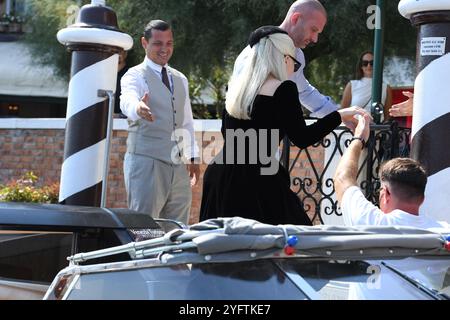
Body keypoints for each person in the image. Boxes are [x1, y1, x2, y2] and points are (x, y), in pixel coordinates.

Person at [199, 27, 368, 226]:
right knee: (292, 245)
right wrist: (338, 115)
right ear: (284, 58)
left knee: (221, 248)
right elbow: (302, 137)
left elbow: (227, 133)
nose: (293, 69)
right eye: (295, 64)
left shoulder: (237, 88)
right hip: (258, 179)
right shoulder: (283, 89)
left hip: (221, 175)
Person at [120, 20, 200, 224]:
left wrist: (192, 155)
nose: (164, 49)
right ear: (144, 43)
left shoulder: (180, 79)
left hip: (177, 164)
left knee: (178, 229)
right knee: (145, 227)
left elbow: (186, 120)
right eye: (157, 43)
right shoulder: (135, 75)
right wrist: (138, 108)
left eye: (169, 43)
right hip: (146, 162)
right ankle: (142, 258)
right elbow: (127, 99)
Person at [334, 113, 446, 228]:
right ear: (422, 199)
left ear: (385, 193)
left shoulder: (369, 222)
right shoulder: (444, 231)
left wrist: (358, 138)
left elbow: (342, 177)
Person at [232, 0, 339, 119]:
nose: (315, 39)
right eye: (313, 30)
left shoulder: (297, 54)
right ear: (295, 18)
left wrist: (338, 115)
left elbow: (304, 92)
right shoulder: (256, 52)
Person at [340, 51, 392, 122]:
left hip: (377, 130)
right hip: (355, 130)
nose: (368, 66)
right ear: (361, 66)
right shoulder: (352, 85)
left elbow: (387, 116)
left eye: (372, 63)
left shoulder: (386, 87)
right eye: (365, 63)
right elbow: (343, 111)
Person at [114, 50, 129, 118]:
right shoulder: (105, 75)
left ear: (125, 54)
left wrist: (118, 116)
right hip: (103, 123)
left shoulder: (132, 75)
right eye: (115, 52)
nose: (118, 55)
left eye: (120, 51)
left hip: (123, 125)